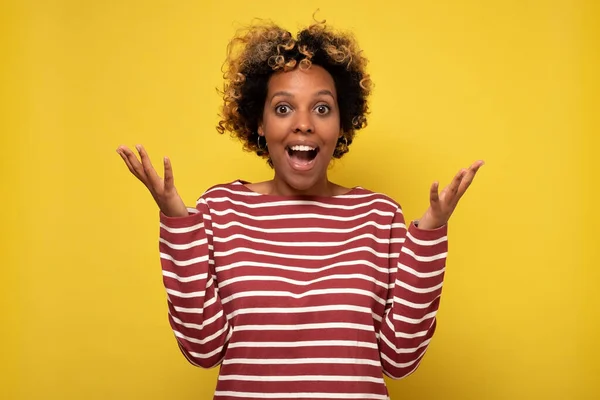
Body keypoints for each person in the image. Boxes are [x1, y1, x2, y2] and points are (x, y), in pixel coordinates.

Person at [117, 18, 483, 400]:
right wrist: (178, 221)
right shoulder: (220, 210)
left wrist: (429, 235)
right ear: (259, 123)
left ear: (342, 124)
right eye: (284, 108)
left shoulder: (378, 216)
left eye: (322, 109)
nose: (304, 124)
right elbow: (203, 348)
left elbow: (400, 358)